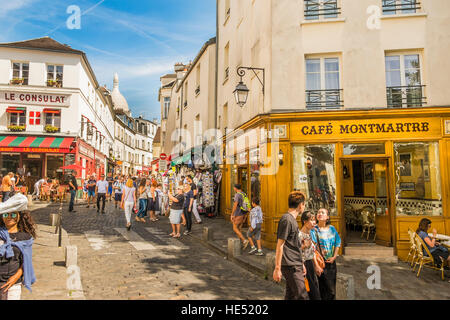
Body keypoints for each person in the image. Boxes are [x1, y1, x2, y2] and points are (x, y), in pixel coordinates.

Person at [273, 191, 309, 300]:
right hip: (290, 265)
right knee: (302, 296)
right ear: (300, 205)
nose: (304, 206)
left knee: (291, 296)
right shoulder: (287, 220)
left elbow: (293, 246)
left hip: (295, 263)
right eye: (304, 204)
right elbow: (280, 244)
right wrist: (277, 268)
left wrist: (301, 263)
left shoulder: (292, 220)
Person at [0, 193, 37, 300]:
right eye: (6, 214)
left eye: (13, 214)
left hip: (13, 284)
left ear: (19, 215)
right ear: (2, 217)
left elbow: (26, 261)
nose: (9, 217)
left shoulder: (25, 238)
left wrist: (14, 278)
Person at [310, 208, 341, 300]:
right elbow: (313, 249)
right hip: (320, 263)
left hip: (331, 264)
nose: (319, 214)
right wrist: (316, 265)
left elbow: (338, 242)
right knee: (322, 290)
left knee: (332, 291)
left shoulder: (332, 229)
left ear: (327, 217)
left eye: (322, 212)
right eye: (318, 212)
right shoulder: (313, 230)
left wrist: (334, 256)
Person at [300, 210, 322, 300]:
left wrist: (316, 266)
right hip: (304, 266)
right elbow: (295, 252)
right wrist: (303, 246)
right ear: (305, 221)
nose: (314, 223)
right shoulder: (299, 235)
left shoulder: (310, 234)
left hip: (311, 265)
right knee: (310, 293)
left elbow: (312, 253)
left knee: (314, 291)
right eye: (311, 220)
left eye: (314, 220)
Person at [231, 184, 249, 249]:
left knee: (235, 228)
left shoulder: (237, 195)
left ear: (235, 188)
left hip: (238, 213)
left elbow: (235, 205)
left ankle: (244, 240)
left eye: (234, 188)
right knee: (239, 229)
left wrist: (232, 214)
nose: (233, 189)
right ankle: (239, 244)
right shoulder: (244, 194)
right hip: (243, 213)